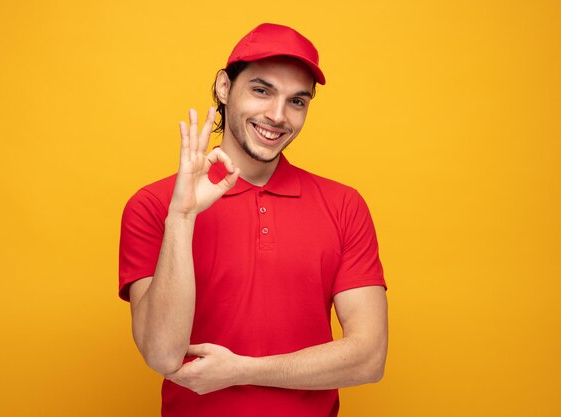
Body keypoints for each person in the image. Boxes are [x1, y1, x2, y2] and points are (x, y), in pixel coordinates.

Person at [119, 23, 388, 417]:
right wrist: (182, 216)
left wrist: (242, 370)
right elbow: (161, 354)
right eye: (261, 91)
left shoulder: (344, 205)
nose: (277, 116)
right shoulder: (154, 205)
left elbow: (369, 357)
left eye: (297, 101)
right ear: (225, 88)